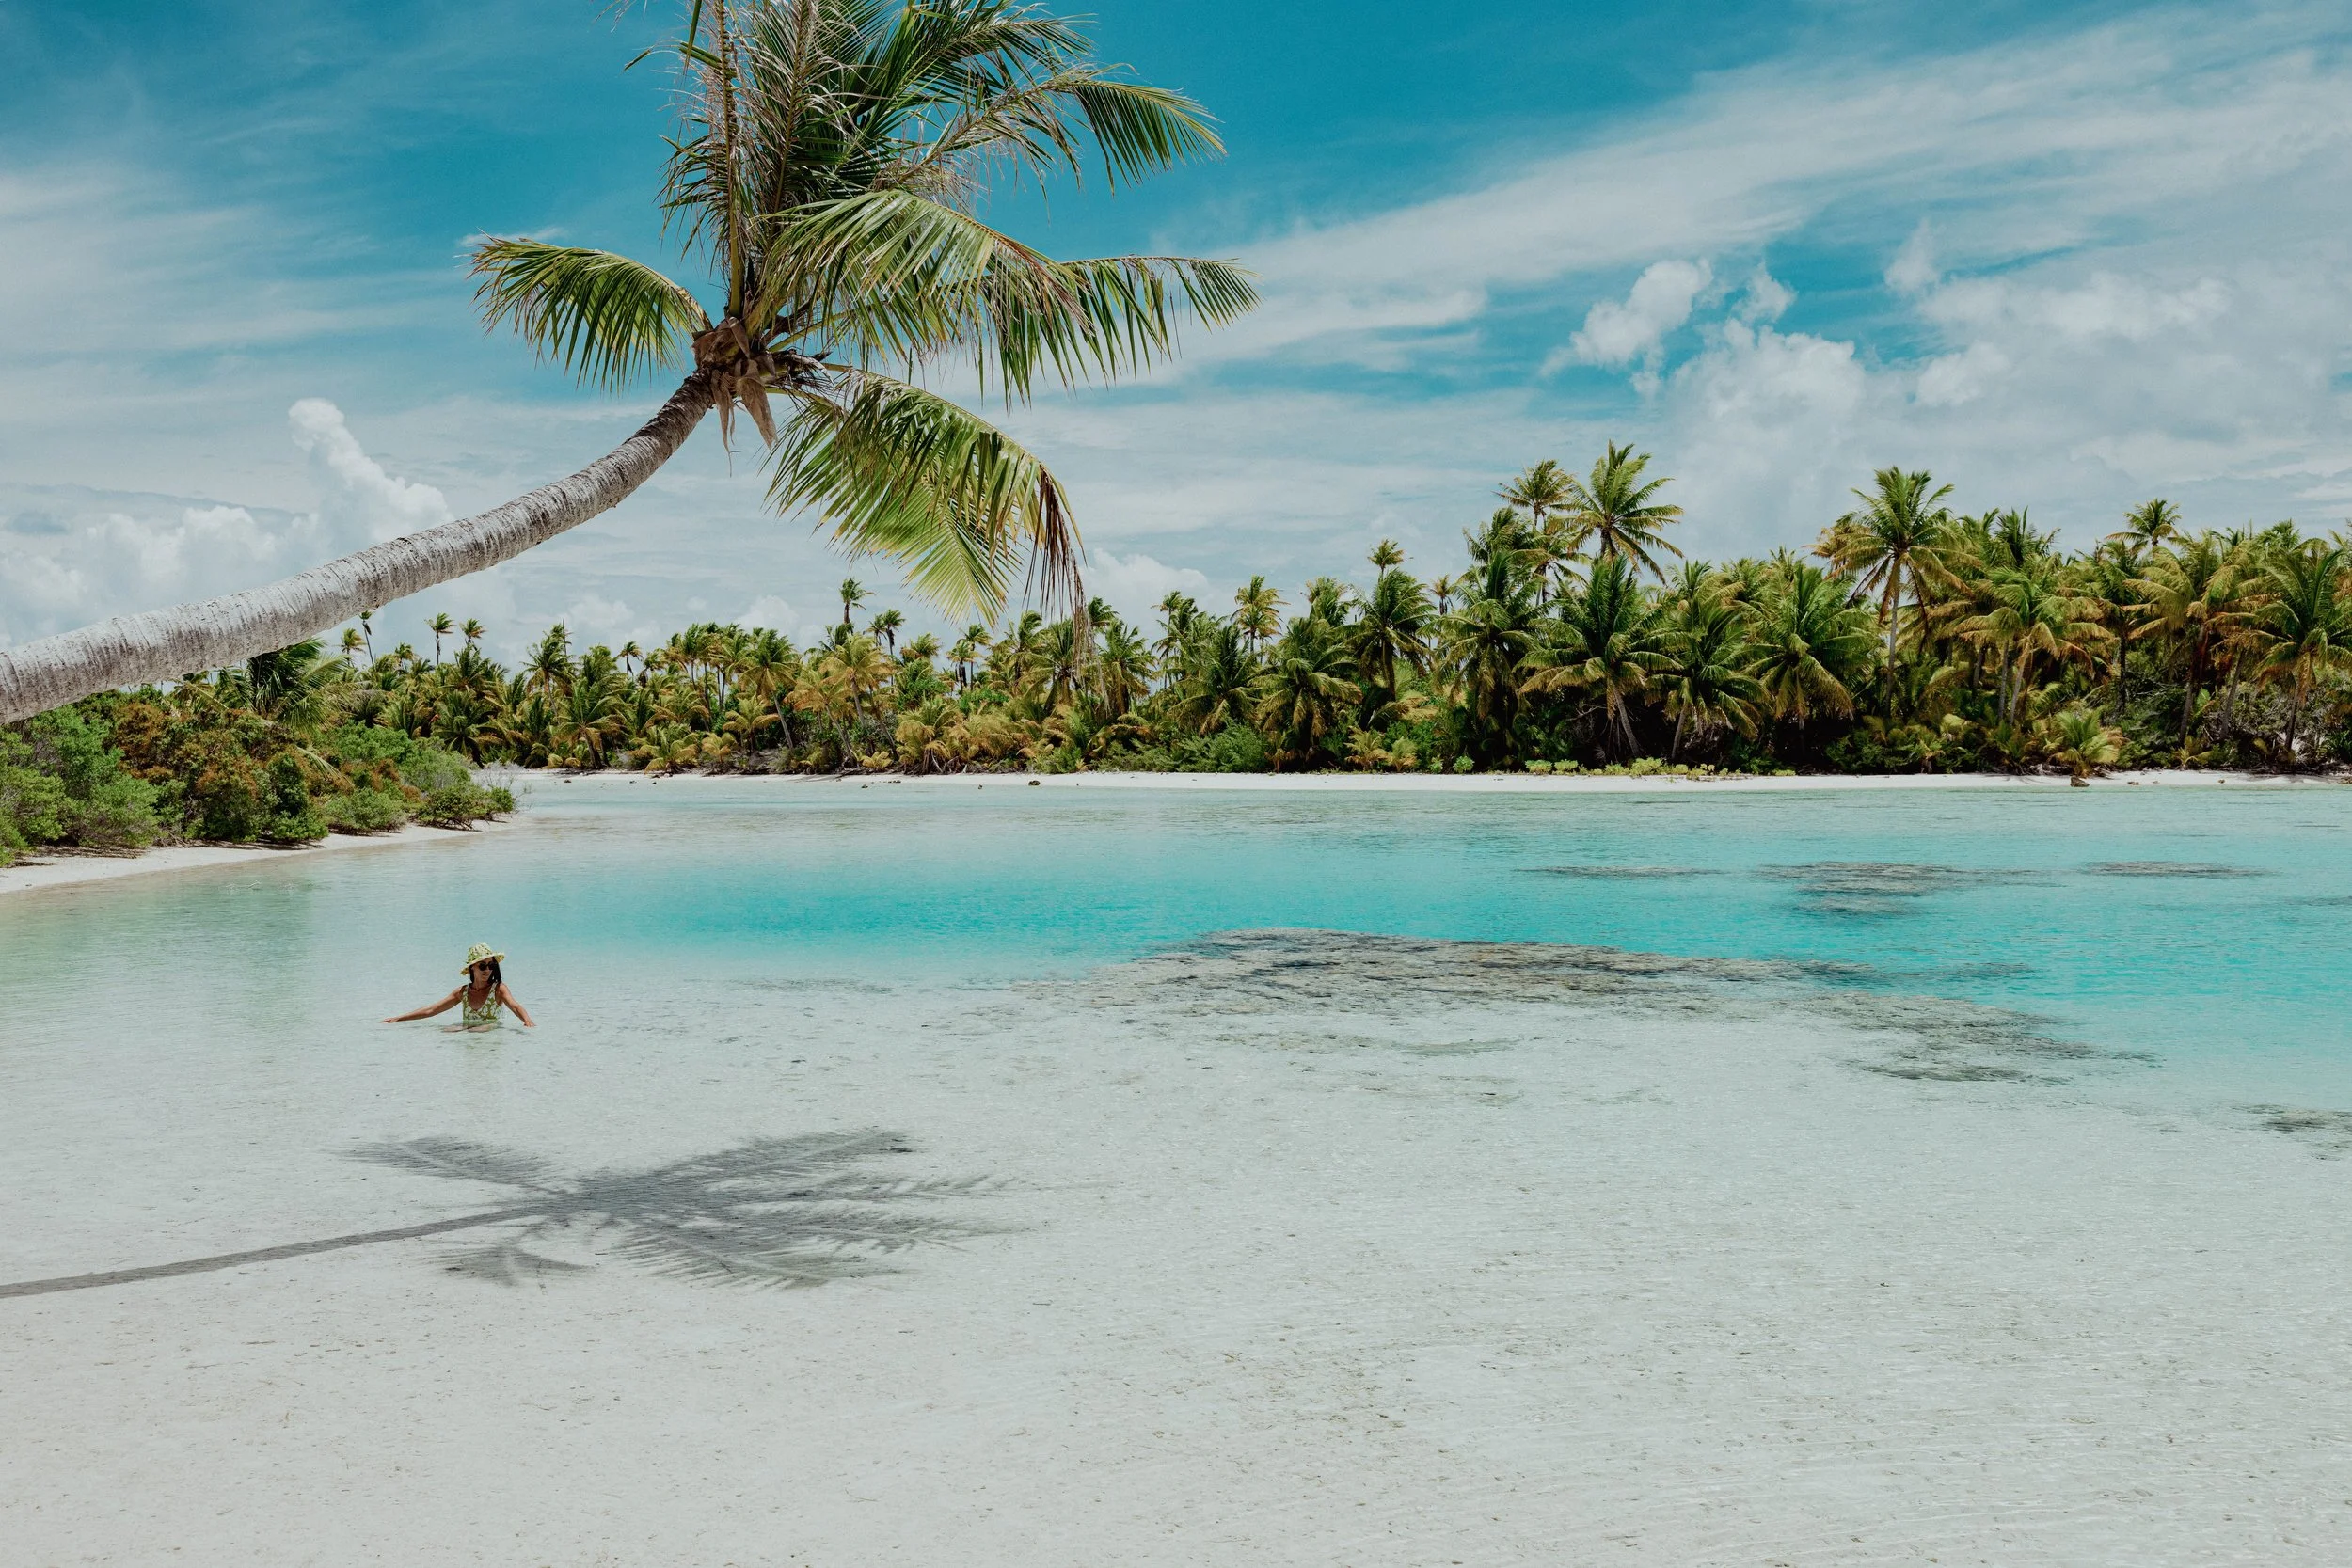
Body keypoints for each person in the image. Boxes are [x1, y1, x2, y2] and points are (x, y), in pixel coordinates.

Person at [384, 943, 536, 1029]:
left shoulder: (498, 989)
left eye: (491, 965)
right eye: (483, 966)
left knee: (478, 1029)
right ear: (472, 968)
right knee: (446, 1030)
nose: (488, 970)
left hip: (490, 1032)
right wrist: (399, 1018)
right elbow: (431, 1010)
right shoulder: (462, 992)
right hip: (469, 1034)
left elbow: (515, 1006)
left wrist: (527, 1020)